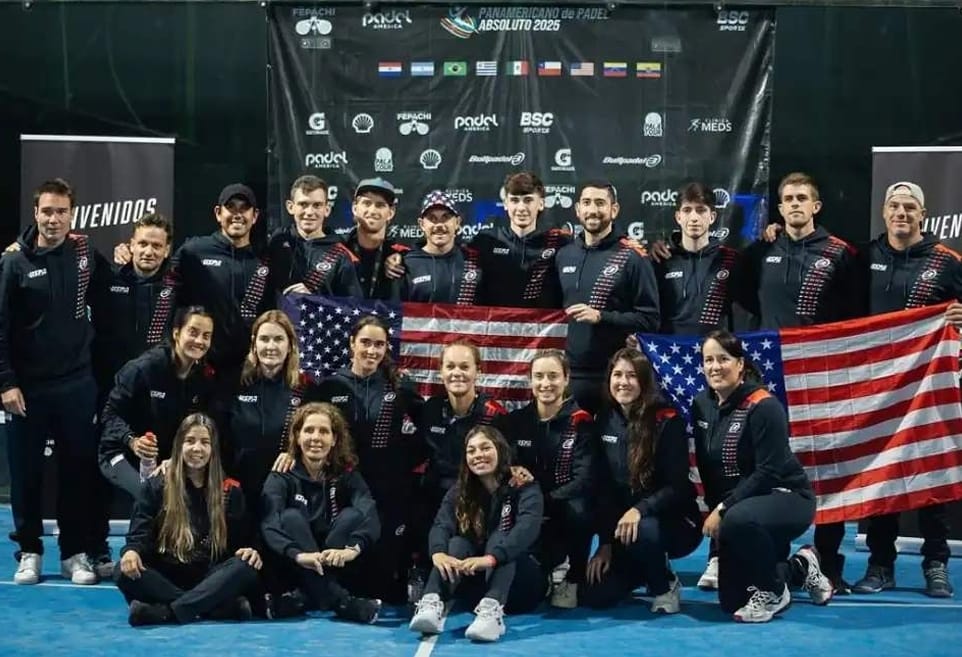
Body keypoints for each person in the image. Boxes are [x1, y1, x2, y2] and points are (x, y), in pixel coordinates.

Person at [853, 181, 962, 598]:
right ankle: (881, 564)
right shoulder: (863, 258)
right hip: (877, 389)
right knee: (882, 476)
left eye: (910, 207)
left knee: (930, 473)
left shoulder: (948, 261)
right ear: (884, 212)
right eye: (895, 206)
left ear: (922, 214)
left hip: (928, 389)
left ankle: (936, 564)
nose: (902, 213)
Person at [1, 178, 108, 585]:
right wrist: (6, 383)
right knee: (26, 474)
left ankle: (73, 553)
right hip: (26, 390)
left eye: (61, 211)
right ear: (35, 213)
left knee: (77, 472)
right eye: (47, 211)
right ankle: (29, 550)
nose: (54, 219)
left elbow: (116, 285)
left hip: (76, 385)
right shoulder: (14, 263)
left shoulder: (84, 253)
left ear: (72, 215)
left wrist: (125, 257)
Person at [693, 330, 833, 622]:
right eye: (708, 360)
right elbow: (709, 469)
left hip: (787, 496)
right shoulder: (701, 405)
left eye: (723, 359)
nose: (715, 367)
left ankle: (774, 592)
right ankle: (801, 567)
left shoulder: (764, 406)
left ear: (740, 364)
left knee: (737, 518)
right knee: (731, 601)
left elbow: (768, 472)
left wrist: (723, 508)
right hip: (744, 505)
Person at [580, 348, 701, 612]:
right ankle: (646, 569)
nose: (623, 382)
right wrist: (606, 544)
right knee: (595, 594)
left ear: (644, 381)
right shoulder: (604, 420)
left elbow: (677, 486)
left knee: (643, 530)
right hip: (625, 527)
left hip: (675, 521)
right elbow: (604, 489)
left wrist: (639, 509)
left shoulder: (667, 421)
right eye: (617, 375)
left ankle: (663, 586)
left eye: (632, 375)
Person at [315, 315, 425, 603]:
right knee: (350, 569)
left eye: (379, 344)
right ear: (352, 343)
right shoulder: (329, 387)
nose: (372, 350)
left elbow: (426, 430)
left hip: (390, 488)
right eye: (365, 342)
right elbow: (308, 431)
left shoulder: (399, 386)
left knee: (384, 581)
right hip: (345, 487)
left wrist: (404, 461)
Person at [114, 413, 262, 626]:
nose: (197, 448)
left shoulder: (230, 491)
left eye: (205, 442)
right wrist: (131, 551)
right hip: (166, 575)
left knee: (246, 566)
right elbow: (140, 533)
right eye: (190, 441)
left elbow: (240, 543)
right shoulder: (157, 485)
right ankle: (210, 608)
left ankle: (166, 612)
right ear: (179, 446)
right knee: (122, 570)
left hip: (210, 577)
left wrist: (249, 550)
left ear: (213, 449)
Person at [408, 426, 547, 642]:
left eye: (485, 448)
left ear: (500, 450)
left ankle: (493, 611)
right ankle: (431, 601)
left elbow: (527, 529)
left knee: (501, 538)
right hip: (475, 588)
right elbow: (441, 525)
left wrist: (491, 559)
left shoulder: (523, 486)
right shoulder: (460, 490)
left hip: (519, 585)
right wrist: (437, 553)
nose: (478, 455)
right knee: (457, 543)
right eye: (471, 451)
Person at [260, 402, 384, 623]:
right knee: (290, 517)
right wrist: (298, 555)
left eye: (324, 431)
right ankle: (342, 602)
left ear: (334, 439)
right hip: (293, 563)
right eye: (309, 430)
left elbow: (369, 511)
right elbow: (270, 523)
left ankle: (302, 598)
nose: (316, 437)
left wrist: (353, 549)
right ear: (297, 436)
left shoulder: (346, 474)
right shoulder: (282, 475)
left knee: (352, 515)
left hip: (334, 558)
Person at [555, 180, 660, 416]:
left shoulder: (633, 257)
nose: (593, 210)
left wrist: (601, 316)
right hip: (571, 377)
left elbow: (650, 320)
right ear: (577, 209)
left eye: (600, 203)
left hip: (615, 378)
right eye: (587, 203)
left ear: (614, 209)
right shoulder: (564, 255)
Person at [99, 306, 221, 500]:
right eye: (193, 332)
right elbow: (109, 414)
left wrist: (176, 457)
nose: (199, 341)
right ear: (176, 333)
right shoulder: (144, 369)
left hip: (166, 455)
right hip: (122, 451)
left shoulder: (202, 378)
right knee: (149, 494)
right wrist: (132, 441)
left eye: (206, 336)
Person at [504, 350, 593, 608]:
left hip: (562, 509)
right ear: (530, 380)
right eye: (539, 376)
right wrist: (512, 471)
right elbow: (503, 466)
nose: (546, 383)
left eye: (553, 376)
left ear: (566, 379)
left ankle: (574, 577)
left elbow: (584, 478)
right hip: (527, 511)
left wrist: (545, 500)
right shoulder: (515, 421)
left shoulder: (582, 422)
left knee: (580, 508)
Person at [412, 341, 509, 577]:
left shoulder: (494, 414)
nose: (457, 373)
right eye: (450, 366)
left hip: (475, 496)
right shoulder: (431, 409)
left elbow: (505, 465)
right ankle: (420, 572)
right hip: (433, 494)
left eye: (465, 367)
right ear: (441, 372)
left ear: (478, 371)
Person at [157, 183, 273, 376]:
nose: (237, 214)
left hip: (248, 369)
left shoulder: (264, 260)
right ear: (218, 213)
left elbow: (270, 314)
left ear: (255, 216)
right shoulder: (193, 251)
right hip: (199, 366)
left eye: (244, 208)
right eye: (231, 207)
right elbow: (164, 291)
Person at [732, 172, 862, 330]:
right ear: (781, 209)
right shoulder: (761, 250)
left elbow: (852, 309)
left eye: (802, 198)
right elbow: (744, 295)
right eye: (788, 199)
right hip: (773, 343)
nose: (795, 204)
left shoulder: (840, 252)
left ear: (816, 207)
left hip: (818, 344)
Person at [226, 310, 318, 516]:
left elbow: (317, 438)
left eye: (278, 339)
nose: (271, 346)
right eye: (264, 339)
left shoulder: (305, 389)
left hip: (285, 488)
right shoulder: (234, 383)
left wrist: (294, 452)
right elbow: (218, 434)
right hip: (237, 488)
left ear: (290, 345)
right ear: (254, 343)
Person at [91, 212, 174, 401]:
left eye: (157, 246)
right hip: (110, 389)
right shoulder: (108, 280)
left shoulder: (178, 287)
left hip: (157, 389)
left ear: (167, 250)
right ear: (132, 245)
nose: (148, 252)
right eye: (143, 244)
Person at [473, 171, 572, 308]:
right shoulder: (486, 242)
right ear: (506, 204)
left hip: (543, 322)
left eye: (528, 200)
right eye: (514, 200)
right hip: (497, 321)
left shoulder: (559, 243)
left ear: (541, 204)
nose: (521, 208)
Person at [655, 182, 739, 334]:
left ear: (712, 217)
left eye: (701, 210)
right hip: (670, 346)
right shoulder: (661, 260)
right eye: (687, 210)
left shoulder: (730, 260)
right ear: (678, 217)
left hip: (715, 347)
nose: (694, 217)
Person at [267, 175, 363, 298]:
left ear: (327, 209)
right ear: (290, 207)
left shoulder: (340, 255)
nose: (309, 212)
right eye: (303, 204)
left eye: (317, 205)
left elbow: (353, 305)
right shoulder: (276, 243)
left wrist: (314, 300)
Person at [396, 190, 482, 305]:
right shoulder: (406, 263)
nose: (439, 225)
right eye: (432, 218)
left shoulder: (474, 261)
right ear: (422, 224)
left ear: (457, 222)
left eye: (445, 217)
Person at [343, 177, 408, 300]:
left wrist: (403, 258)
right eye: (367, 203)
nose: (372, 211)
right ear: (355, 208)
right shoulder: (338, 250)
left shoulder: (402, 257)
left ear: (391, 213)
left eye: (380, 205)